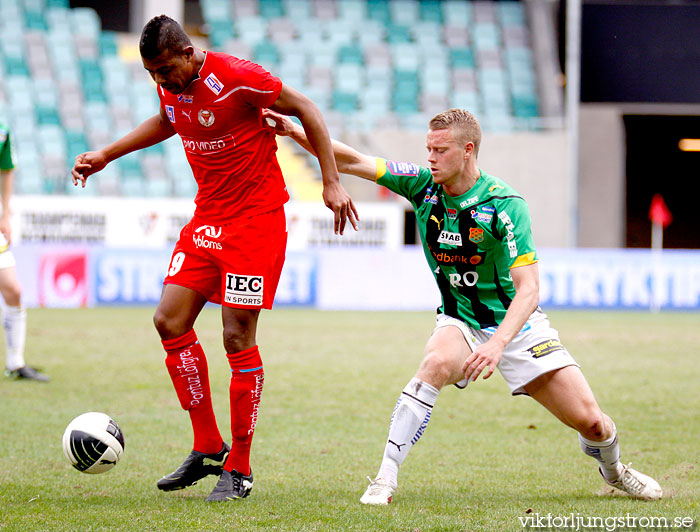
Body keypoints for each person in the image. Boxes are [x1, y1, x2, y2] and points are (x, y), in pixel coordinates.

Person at [263, 107, 663, 504]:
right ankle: (385, 477)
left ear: (468, 150)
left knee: (593, 424)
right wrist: (295, 131)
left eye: (440, 150)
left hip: (518, 328)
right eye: (428, 149)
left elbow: (529, 291)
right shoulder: (421, 186)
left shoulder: (505, 205)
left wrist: (498, 344)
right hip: (460, 320)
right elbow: (354, 160)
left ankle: (615, 471)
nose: (430, 159)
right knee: (434, 365)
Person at [71, 15, 358, 503]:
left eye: (164, 69)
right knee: (169, 320)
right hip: (207, 222)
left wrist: (330, 180)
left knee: (235, 335)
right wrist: (107, 154)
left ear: (188, 52)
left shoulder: (239, 77)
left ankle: (240, 469)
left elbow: (306, 107)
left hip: (256, 224)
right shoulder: (170, 86)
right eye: (151, 73)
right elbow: (167, 119)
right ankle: (207, 446)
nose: (159, 81)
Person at [0, 120, 49, 383]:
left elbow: (6, 169)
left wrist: (5, 213)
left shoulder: (2, 130)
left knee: (13, 289)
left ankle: (15, 363)